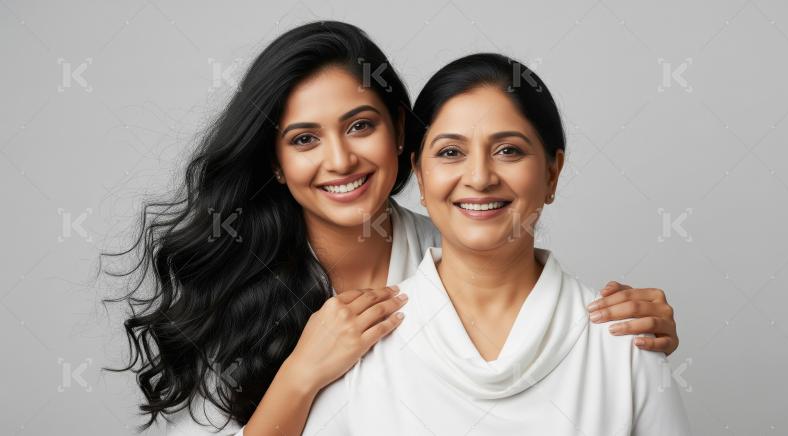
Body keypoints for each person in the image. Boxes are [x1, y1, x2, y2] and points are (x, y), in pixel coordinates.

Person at [103, 22, 681, 436]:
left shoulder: (458, 245)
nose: (340, 161)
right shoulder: (230, 288)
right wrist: (302, 375)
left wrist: (621, 336)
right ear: (276, 161)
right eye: (304, 139)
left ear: (401, 133)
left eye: (360, 125)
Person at [301, 53, 691, 435]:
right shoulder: (361, 345)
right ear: (420, 175)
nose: (480, 177)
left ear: (552, 173)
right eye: (451, 152)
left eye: (508, 151)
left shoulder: (624, 347)